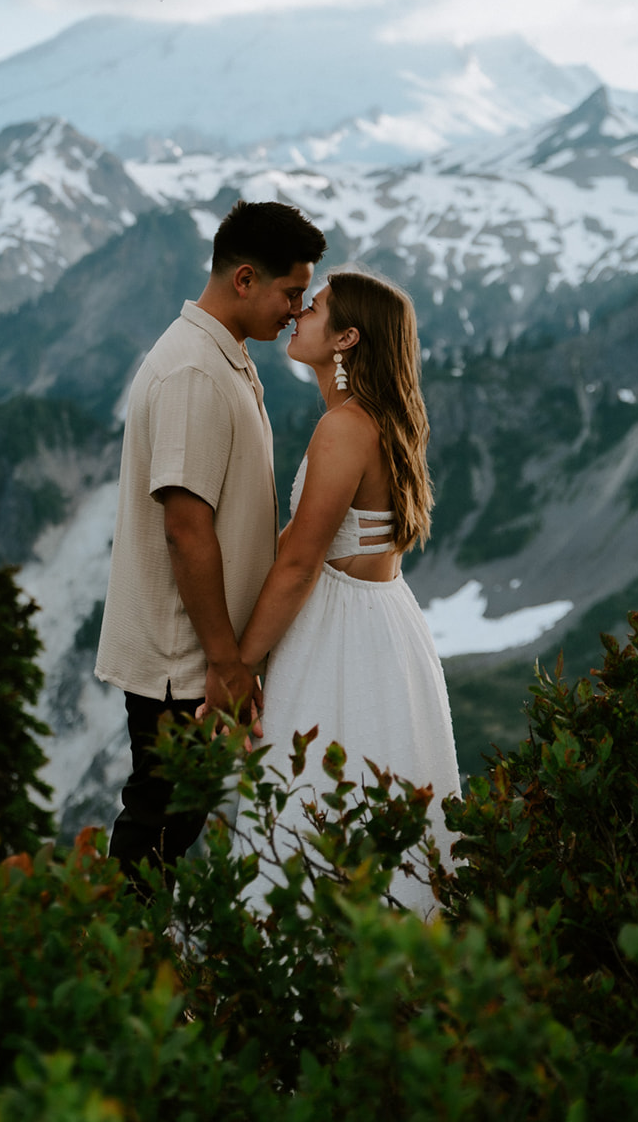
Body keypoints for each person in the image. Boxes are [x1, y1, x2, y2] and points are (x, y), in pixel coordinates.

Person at [95, 199, 327, 891]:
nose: (297, 308)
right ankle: (111, 967)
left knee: (170, 820)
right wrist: (225, 662)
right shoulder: (195, 370)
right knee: (160, 823)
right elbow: (185, 526)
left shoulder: (218, 354)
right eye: (291, 293)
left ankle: (119, 965)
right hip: (181, 658)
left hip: (194, 654)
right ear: (245, 279)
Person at [234, 268, 459, 914]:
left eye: (318, 306)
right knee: (378, 799)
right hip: (387, 628)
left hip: (336, 638)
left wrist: (236, 667)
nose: (301, 310)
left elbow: (300, 562)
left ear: (346, 339)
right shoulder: (381, 420)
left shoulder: (344, 428)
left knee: (307, 801)